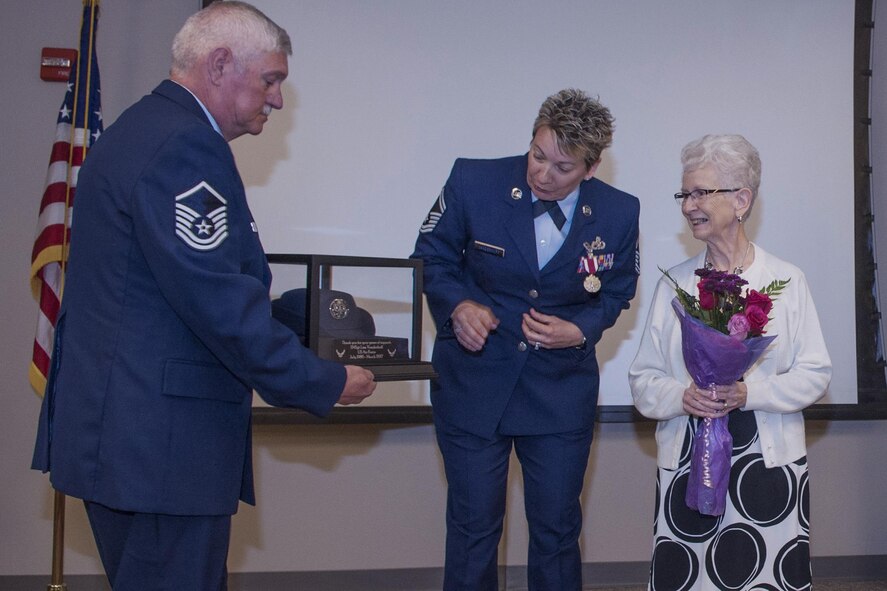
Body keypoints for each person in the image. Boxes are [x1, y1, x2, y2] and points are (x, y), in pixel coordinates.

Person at [31, 2, 376, 589]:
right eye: (271, 79)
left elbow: (170, 294)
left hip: (126, 441)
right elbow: (217, 302)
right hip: (162, 451)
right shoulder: (185, 147)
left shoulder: (139, 130)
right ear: (219, 64)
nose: (277, 100)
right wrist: (322, 380)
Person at [412, 88, 640, 590]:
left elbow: (619, 289)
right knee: (473, 529)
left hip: (559, 393)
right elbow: (431, 257)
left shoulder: (620, 212)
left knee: (557, 532)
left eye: (562, 167)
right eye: (538, 156)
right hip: (474, 386)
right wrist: (459, 306)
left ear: (591, 167)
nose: (542, 173)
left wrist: (581, 328)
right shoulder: (473, 180)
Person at [629, 134, 832, 590]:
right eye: (685, 194)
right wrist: (683, 396)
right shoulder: (674, 286)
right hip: (687, 460)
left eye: (701, 192)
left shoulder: (786, 280)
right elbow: (642, 380)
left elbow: (815, 372)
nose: (688, 205)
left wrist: (748, 392)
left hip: (768, 460)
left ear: (741, 200)